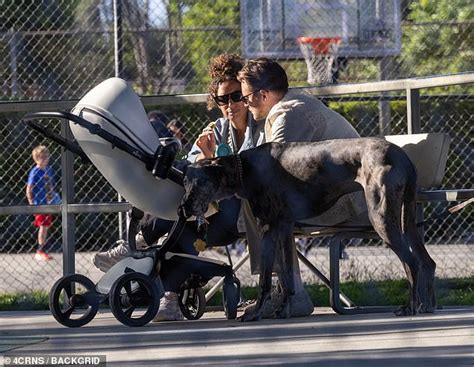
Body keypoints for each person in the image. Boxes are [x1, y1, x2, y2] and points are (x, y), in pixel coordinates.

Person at [92, 53, 260, 321]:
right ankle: (165, 290)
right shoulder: (216, 130)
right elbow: (189, 172)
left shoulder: (259, 127)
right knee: (182, 209)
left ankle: (137, 248)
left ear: (247, 95)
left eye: (235, 96)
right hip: (206, 211)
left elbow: (253, 176)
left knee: (187, 215)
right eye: (222, 99)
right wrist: (203, 160)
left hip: (241, 212)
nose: (229, 105)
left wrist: (213, 162)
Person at [236, 57, 369, 316]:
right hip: (343, 195)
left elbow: (271, 176)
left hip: (350, 202)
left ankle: (291, 293)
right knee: (269, 205)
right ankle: (286, 289)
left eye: (246, 97)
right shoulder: (292, 103)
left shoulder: (288, 115)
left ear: (263, 94)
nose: (245, 103)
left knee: (262, 206)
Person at [26, 145, 60, 261]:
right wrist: (31, 202)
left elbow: (51, 186)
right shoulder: (35, 172)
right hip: (39, 204)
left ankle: (42, 249)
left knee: (45, 226)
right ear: (36, 158)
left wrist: (53, 197)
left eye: (47, 156)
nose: (46, 158)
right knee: (43, 226)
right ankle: (40, 250)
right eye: (42, 157)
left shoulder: (49, 170)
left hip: (48, 203)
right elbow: (29, 188)